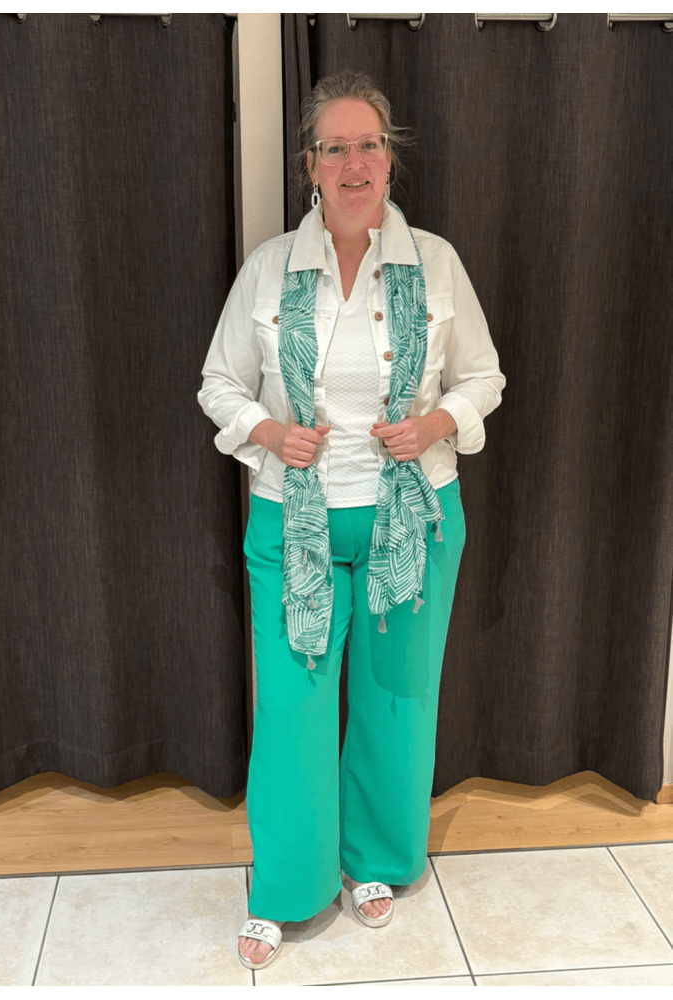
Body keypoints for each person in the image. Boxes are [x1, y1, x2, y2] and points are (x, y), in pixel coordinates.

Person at [198, 69, 506, 970]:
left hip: (415, 517)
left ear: (389, 158)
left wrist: (435, 424)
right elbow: (218, 383)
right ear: (311, 166)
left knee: (396, 699)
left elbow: (483, 377)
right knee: (292, 709)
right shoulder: (268, 269)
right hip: (291, 522)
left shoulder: (436, 263)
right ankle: (286, 888)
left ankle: (374, 859)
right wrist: (267, 431)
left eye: (368, 144)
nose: (354, 163)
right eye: (335, 148)